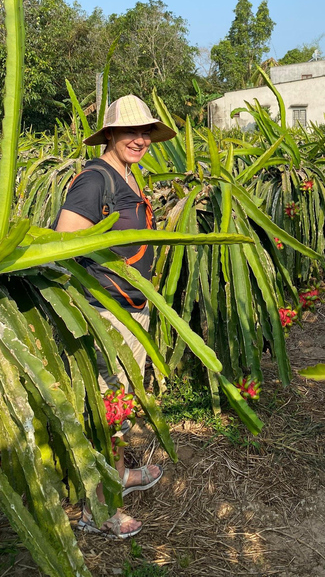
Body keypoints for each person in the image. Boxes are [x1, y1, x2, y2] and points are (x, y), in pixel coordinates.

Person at [55, 94, 177, 537]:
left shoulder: (126, 174)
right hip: (103, 312)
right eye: (131, 132)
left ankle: (119, 474)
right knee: (104, 405)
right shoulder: (94, 179)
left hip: (129, 307)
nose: (140, 139)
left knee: (118, 403)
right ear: (109, 135)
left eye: (145, 132)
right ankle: (95, 507)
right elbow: (64, 241)